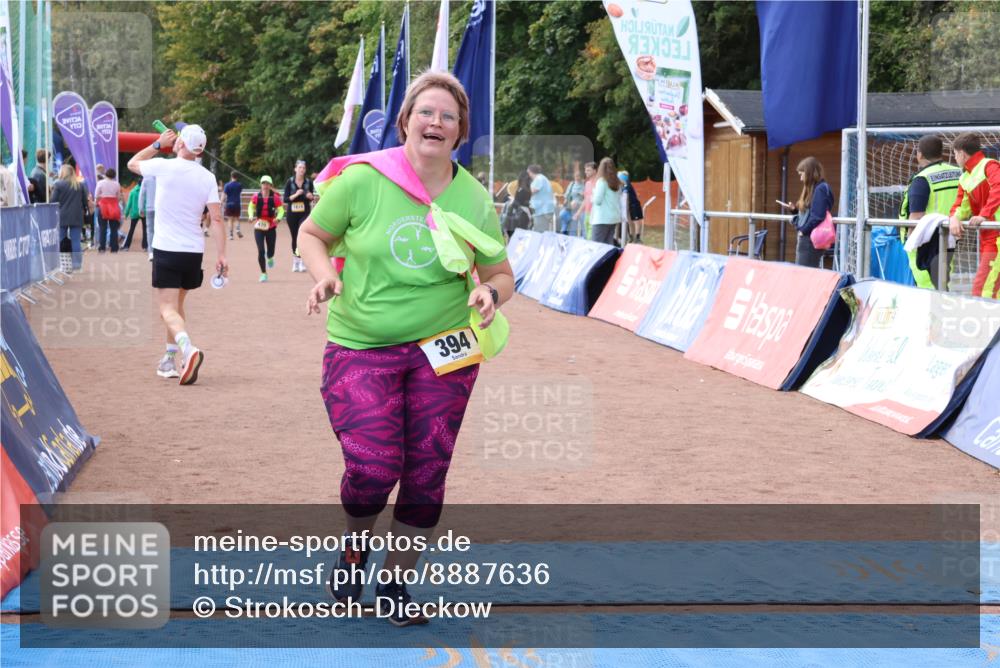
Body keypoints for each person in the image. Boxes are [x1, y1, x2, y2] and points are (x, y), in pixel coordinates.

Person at [299, 71, 513, 627]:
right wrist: (323, 276)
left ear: (461, 131)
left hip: (446, 347)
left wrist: (490, 293)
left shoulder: (473, 197)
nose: (435, 122)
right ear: (405, 122)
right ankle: (353, 548)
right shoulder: (364, 180)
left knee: (426, 472)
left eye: (447, 116)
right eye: (426, 112)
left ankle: (395, 583)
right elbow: (313, 235)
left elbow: (500, 271)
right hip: (361, 344)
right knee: (373, 466)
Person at [127, 123, 226, 385]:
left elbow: (133, 163)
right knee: (178, 306)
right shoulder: (206, 177)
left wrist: (158, 144)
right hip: (193, 251)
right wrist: (222, 255)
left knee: (166, 309)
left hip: (167, 249)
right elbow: (216, 219)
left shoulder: (164, 165)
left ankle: (188, 349)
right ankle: (169, 360)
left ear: (180, 144)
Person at [899, 135, 961, 290]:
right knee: (943, 282)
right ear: (942, 153)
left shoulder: (922, 179)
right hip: (949, 238)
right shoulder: (958, 173)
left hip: (923, 242)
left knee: (926, 286)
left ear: (919, 154)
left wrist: (910, 241)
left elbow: (916, 216)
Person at [948, 133, 1000, 300]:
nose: (954, 158)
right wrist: (954, 218)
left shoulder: (989, 166)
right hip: (987, 238)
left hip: (996, 237)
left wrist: (984, 214)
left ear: (962, 153)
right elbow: (959, 205)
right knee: (992, 290)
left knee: (982, 291)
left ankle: (984, 325)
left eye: (954, 154)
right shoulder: (965, 177)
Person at [782, 157, 833, 268]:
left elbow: (818, 216)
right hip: (808, 237)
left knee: (804, 274)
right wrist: (794, 210)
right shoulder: (815, 188)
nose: (801, 178)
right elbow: (810, 213)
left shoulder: (820, 189)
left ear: (809, 173)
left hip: (809, 239)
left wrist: (803, 231)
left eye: (801, 174)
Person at [51, 164, 90, 272]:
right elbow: (84, 201)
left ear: (62, 173)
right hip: (77, 215)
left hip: (62, 215)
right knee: (76, 240)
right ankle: (77, 264)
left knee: (61, 239)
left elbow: (53, 201)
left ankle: (63, 264)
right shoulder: (80, 185)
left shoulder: (58, 184)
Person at [248, 175, 284, 282]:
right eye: (263, 183)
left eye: (267, 183)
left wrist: (278, 218)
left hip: (271, 226)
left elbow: (281, 210)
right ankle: (263, 273)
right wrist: (250, 216)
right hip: (259, 226)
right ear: (261, 185)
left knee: (271, 249)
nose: (265, 185)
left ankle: (271, 256)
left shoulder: (275, 198)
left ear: (270, 185)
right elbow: (251, 207)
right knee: (261, 250)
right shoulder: (256, 197)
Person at [283, 160, 315, 272]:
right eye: (300, 167)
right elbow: (285, 199)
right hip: (292, 213)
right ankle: (295, 261)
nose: (302, 170)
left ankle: (302, 261)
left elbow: (311, 197)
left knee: (302, 236)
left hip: (304, 212)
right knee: (295, 237)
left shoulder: (308, 182)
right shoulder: (289, 182)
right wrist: (296, 194)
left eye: (303, 168)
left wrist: (311, 196)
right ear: (295, 169)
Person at [590, 157, 623, 245]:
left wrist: (592, 196)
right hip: (613, 218)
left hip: (601, 219)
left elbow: (598, 201)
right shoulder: (617, 182)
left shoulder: (602, 182)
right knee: (608, 245)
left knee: (596, 246)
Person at [94, 168, 124, 253]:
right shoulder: (117, 184)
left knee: (102, 227)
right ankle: (114, 247)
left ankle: (102, 247)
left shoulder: (100, 183)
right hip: (114, 205)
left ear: (106, 174)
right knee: (114, 228)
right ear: (114, 175)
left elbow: (96, 195)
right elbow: (118, 196)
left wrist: (97, 203)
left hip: (103, 205)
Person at [501, 170, 532, 240]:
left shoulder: (520, 190)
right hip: (525, 215)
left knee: (514, 236)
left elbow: (516, 203)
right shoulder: (529, 190)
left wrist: (512, 201)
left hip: (518, 216)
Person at [527, 164, 556, 232]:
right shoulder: (542, 178)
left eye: (528, 173)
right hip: (543, 210)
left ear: (530, 172)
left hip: (542, 211)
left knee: (539, 232)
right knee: (540, 231)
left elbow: (532, 191)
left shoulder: (539, 178)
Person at [619, 170, 644, 243]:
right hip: (628, 206)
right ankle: (631, 237)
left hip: (634, 205)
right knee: (629, 222)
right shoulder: (623, 186)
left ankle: (637, 237)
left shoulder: (627, 185)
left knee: (636, 221)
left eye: (619, 179)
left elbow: (626, 197)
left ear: (623, 179)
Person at [559, 169, 585, 236]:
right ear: (574, 176)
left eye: (579, 176)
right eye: (576, 176)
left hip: (582, 208)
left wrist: (582, 194)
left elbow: (587, 196)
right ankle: (572, 239)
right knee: (573, 226)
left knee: (583, 226)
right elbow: (567, 194)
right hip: (572, 207)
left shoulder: (584, 184)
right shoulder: (572, 184)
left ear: (582, 176)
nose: (577, 178)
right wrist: (565, 201)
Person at [122, 179, 145, 251]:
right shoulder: (145, 191)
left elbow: (129, 204)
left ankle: (126, 246)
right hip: (144, 212)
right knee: (145, 230)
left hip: (134, 213)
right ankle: (145, 246)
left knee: (131, 230)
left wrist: (126, 214)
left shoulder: (133, 191)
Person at [575, 161, 597, 238]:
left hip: (595, 214)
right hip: (586, 213)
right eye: (585, 170)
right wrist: (578, 212)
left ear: (594, 171)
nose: (586, 172)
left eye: (588, 170)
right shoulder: (587, 183)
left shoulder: (599, 183)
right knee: (587, 236)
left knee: (592, 238)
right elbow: (585, 199)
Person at [138, 175, 157, 261]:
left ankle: (151, 252)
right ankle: (160, 251)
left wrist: (141, 208)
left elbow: (142, 194)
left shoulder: (146, 179)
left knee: (150, 231)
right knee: (161, 230)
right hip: (162, 209)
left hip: (150, 208)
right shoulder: (163, 177)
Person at [223, 171, 244, 240]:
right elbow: (240, 192)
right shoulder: (239, 185)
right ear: (237, 177)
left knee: (230, 219)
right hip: (237, 203)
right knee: (237, 218)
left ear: (231, 176)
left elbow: (224, 195)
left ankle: (231, 235)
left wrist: (221, 202)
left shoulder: (227, 185)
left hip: (229, 203)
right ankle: (237, 229)